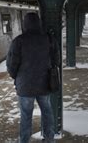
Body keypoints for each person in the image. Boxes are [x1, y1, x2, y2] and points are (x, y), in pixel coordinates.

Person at [6, 12, 55, 143]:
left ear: (25, 24)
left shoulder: (18, 41)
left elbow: (11, 65)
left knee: (26, 116)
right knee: (47, 113)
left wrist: (17, 77)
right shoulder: (47, 39)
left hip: (25, 86)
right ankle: (50, 139)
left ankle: (24, 140)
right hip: (44, 84)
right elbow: (56, 60)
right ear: (39, 23)